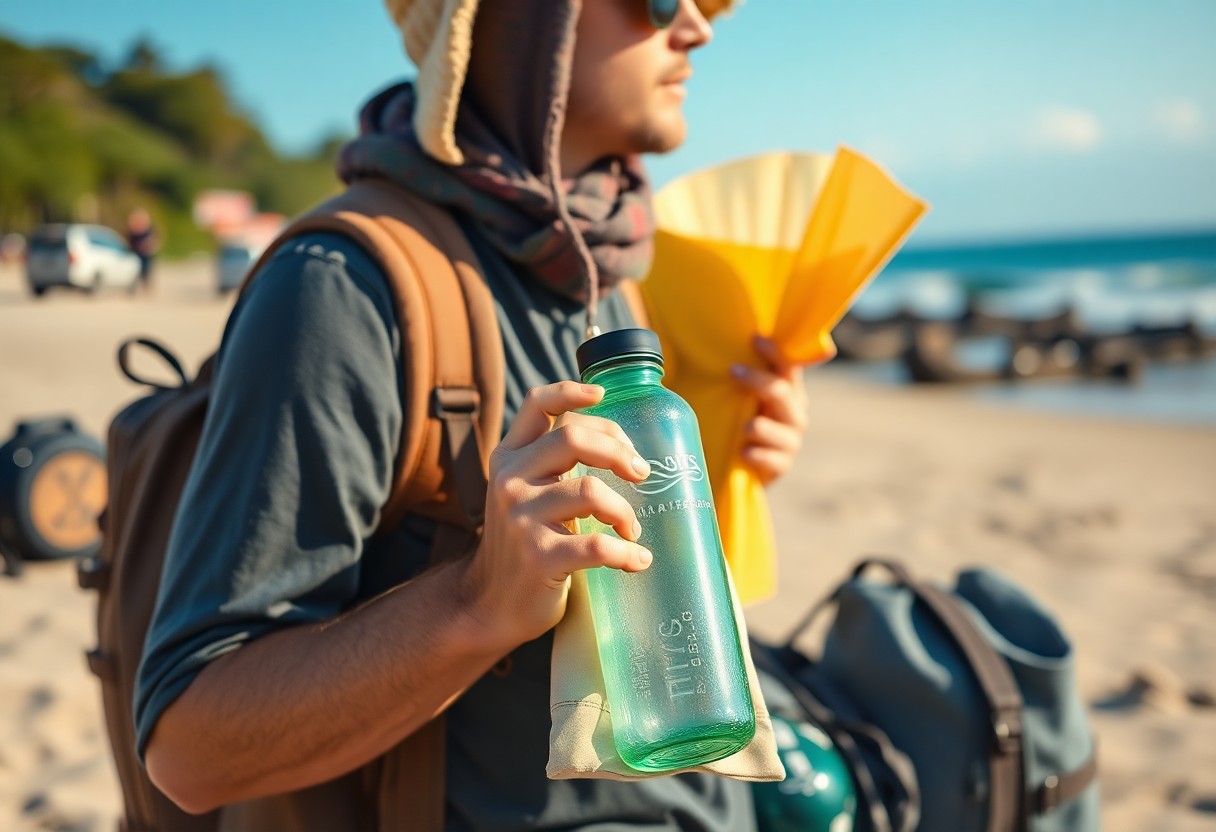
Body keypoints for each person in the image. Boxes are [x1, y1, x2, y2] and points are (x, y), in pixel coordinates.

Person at [135, 0, 811, 828]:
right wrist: (477, 602)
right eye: (659, 0)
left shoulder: (610, 267)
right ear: (524, 22)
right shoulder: (341, 289)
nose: (696, 26)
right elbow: (189, 749)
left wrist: (729, 467)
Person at [125, 207, 159, 293]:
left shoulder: (149, 229)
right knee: (135, 271)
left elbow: (154, 240)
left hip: (146, 254)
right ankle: (135, 288)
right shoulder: (133, 231)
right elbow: (130, 241)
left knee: (146, 272)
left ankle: (146, 287)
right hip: (136, 253)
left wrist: (150, 246)